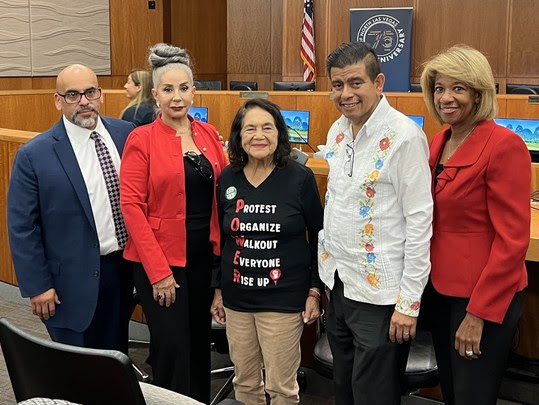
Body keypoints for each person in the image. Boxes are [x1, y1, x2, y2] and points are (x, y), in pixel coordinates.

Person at [317, 41, 433, 404]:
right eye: (338, 85)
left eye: (356, 83)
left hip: (380, 295)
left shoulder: (405, 137)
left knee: (374, 395)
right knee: (343, 388)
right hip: (339, 283)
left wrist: (408, 304)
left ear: (378, 82)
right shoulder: (337, 130)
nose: (345, 94)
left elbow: (420, 223)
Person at [419, 45, 531, 405]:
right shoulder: (442, 139)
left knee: (472, 395)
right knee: (452, 391)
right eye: (438, 88)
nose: (445, 98)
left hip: (480, 297)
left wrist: (478, 314)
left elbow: (512, 242)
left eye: (458, 88)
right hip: (440, 289)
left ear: (479, 93)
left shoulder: (504, 146)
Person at [119, 43, 227, 402]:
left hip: (203, 258)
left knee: (199, 343)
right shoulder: (142, 138)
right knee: (172, 347)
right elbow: (131, 207)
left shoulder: (209, 134)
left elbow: (222, 195)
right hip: (162, 263)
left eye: (183, 88)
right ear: (155, 95)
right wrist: (159, 272)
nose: (177, 97)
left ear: (194, 91)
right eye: (168, 89)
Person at [7, 64, 135, 353]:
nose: (84, 102)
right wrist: (38, 286)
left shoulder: (127, 134)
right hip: (68, 283)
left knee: (116, 358)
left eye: (90, 92)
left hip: (123, 270)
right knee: (76, 370)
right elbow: (22, 226)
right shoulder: (34, 155)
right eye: (73, 95)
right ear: (58, 100)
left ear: (100, 94)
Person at [210, 98, 324, 405]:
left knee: (281, 388)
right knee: (245, 383)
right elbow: (223, 238)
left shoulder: (299, 179)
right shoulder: (228, 179)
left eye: (266, 128)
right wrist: (219, 290)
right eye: (250, 129)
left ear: (279, 134)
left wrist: (315, 290)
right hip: (237, 299)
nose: (258, 135)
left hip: (283, 300)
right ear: (239, 136)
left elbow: (319, 236)